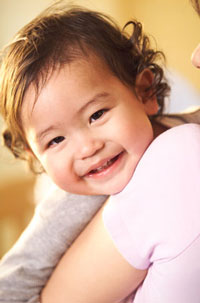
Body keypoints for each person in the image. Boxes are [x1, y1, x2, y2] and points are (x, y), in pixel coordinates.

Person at [0, 2, 200, 303]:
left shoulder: (185, 132)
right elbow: (12, 283)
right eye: (55, 141)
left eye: (96, 115)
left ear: (145, 92)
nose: (87, 148)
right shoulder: (69, 204)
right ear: (34, 155)